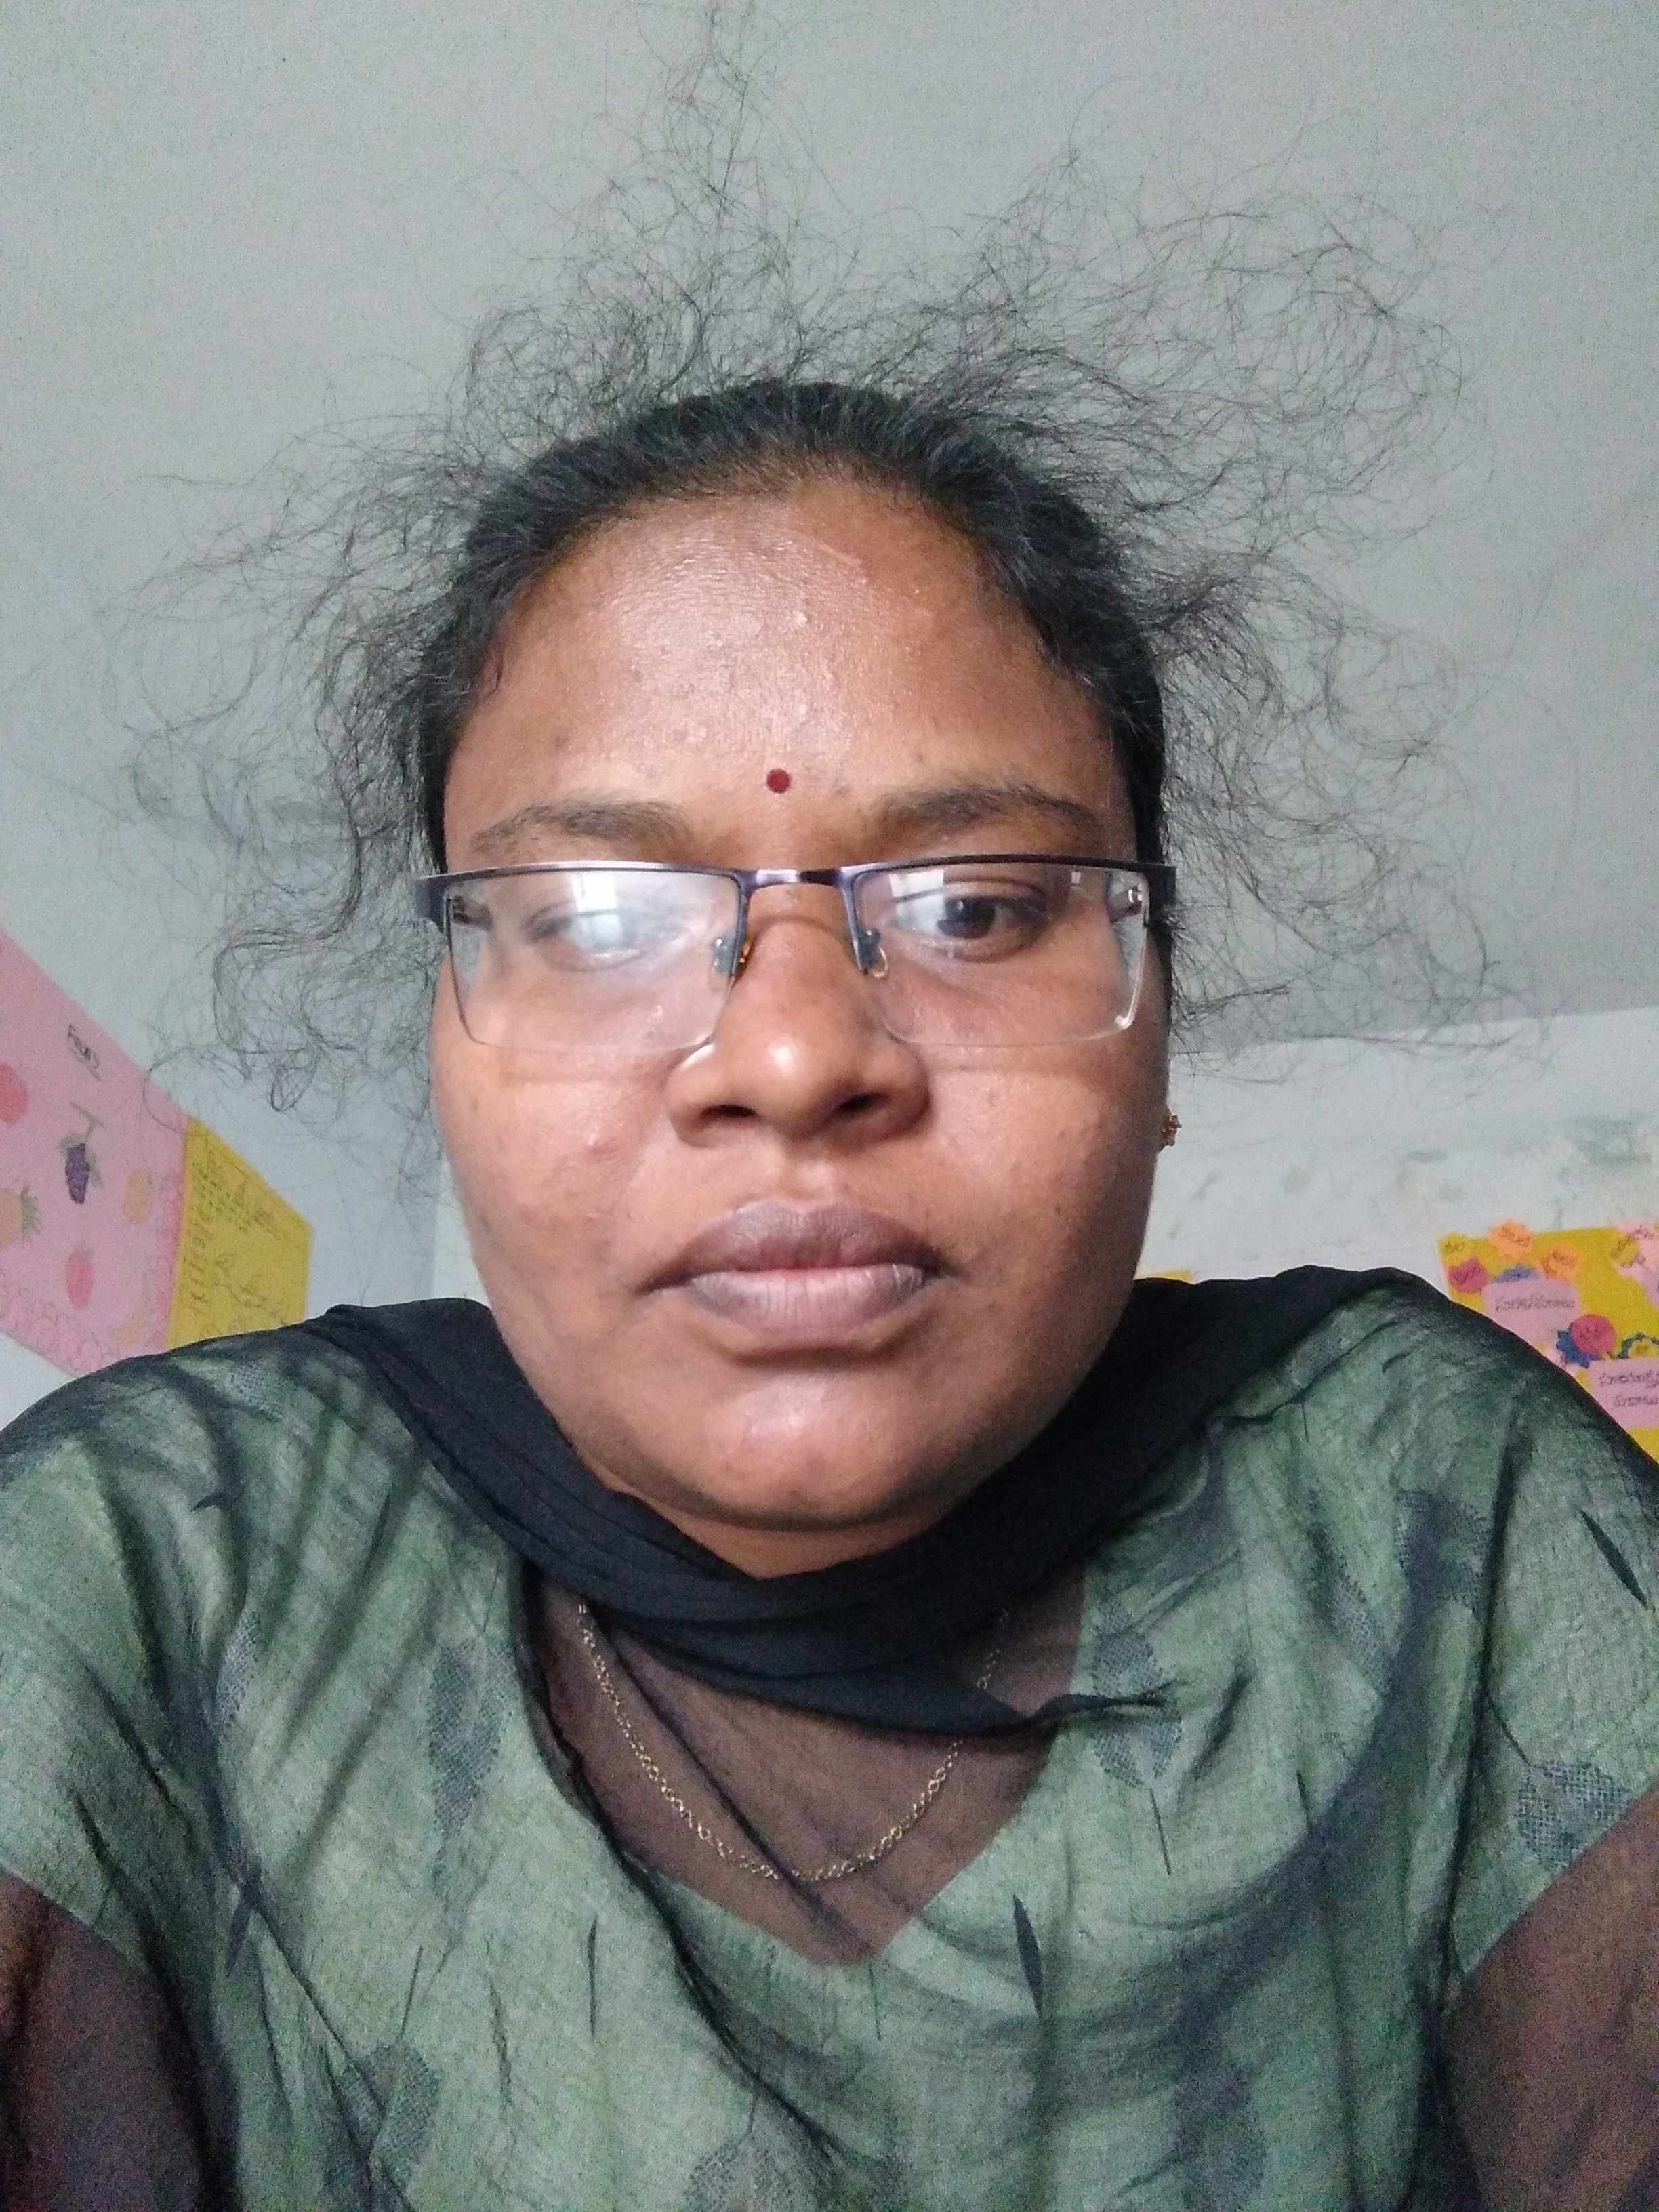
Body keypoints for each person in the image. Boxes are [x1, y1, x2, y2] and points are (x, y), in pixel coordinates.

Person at [1, 373, 1655, 2211]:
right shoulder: (162, 1560)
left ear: (1161, 1030)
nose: (791, 1060)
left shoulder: (1439, 1515)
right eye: (595, 917)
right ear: (445, 1045)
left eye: (976, 908)